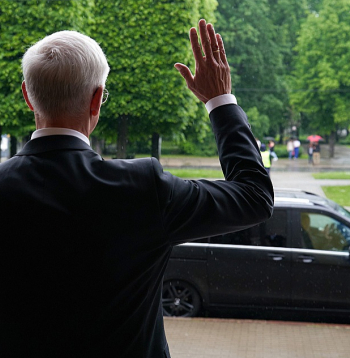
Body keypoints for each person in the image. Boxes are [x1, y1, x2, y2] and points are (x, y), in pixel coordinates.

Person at [0, 20, 273, 357]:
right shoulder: (143, 188)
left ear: (28, 97)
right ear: (97, 100)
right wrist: (220, 101)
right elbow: (254, 197)